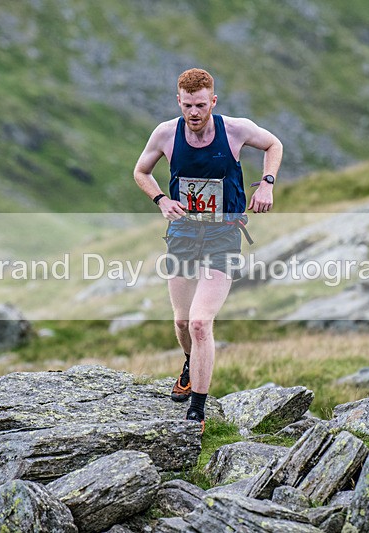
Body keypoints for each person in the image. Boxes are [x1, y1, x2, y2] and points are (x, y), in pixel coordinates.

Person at [133, 68, 283, 430]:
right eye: (187, 105)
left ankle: (196, 411)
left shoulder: (235, 129)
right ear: (178, 102)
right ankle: (188, 364)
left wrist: (266, 185)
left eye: (201, 105)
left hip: (223, 234)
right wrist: (160, 199)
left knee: (201, 323)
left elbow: (274, 145)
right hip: (183, 232)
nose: (194, 113)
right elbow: (141, 171)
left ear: (213, 101)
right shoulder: (166, 133)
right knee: (182, 322)